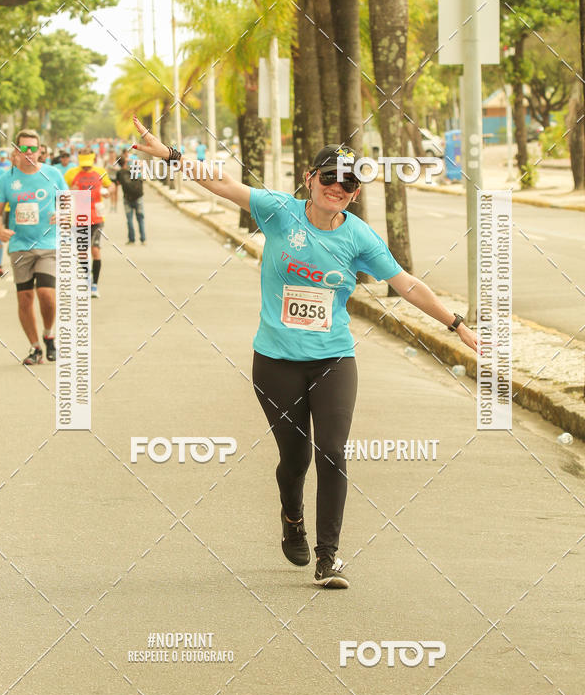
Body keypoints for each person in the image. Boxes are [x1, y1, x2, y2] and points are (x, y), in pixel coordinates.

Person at [133, 119, 478, 589]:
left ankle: (328, 557)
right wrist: (170, 155)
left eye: (349, 183)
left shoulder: (359, 237)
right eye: (330, 177)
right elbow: (222, 183)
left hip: (333, 358)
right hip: (275, 361)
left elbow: (408, 285)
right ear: (309, 178)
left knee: (332, 452)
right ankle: (291, 517)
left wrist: (456, 324)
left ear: (356, 192)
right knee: (295, 460)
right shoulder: (279, 211)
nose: (338, 187)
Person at [0, 129, 66, 364]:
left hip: (48, 243)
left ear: (40, 149)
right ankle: (35, 347)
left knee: (46, 294)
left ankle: (49, 334)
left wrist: (64, 214)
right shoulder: (7, 179)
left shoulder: (52, 174)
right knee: (24, 298)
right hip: (20, 245)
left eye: (33, 148)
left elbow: (70, 202)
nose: (29, 152)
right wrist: (0, 229)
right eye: (24, 148)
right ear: (17, 150)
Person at [63, 151, 115, 298]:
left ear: (93, 160)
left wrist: (108, 191)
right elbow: (60, 192)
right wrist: (70, 191)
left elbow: (111, 186)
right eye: (83, 165)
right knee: (82, 253)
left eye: (88, 165)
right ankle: (87, 278)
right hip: (78, 218)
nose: (86, 167)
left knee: (95, 250)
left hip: (97, 218)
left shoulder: (100, 172)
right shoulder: (71, 173)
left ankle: (94, 285)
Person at [116, 154, 145, 244]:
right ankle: (143, 239)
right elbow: (142, 166)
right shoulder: (133, 168)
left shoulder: (119, 173)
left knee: (129, 220)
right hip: (138, 197)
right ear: (125, 161)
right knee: (140, 219)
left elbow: (118, 183)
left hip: (127, 198)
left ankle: (131, 239)